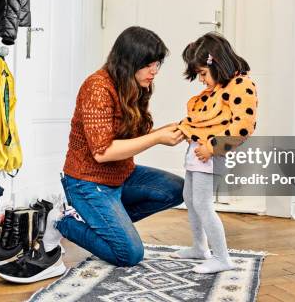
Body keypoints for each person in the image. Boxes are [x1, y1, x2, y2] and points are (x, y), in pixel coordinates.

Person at [41, 26, 186, 268]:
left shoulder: (135, 86)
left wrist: (177, 129)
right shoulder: (97, 88)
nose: (154, 71)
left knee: (177, 189)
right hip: (87, 182)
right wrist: (158, 137)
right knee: (129, 255)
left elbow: (134, 136)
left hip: (121, 176)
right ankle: (62, 221)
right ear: (130, 61)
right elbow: (102, 153)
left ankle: (103, 224)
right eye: (148, 64)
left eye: (157, 64)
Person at [173, 32, 258, 273]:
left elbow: (243, 127)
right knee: (190, 199)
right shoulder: (217, 88)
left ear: (216, 63)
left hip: (210, 157)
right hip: (197, 154)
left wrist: (211, 148)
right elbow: (202, 118)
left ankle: (222, 257)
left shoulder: (242, 85)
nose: (201, 80)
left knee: (203, 204)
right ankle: (200, 248)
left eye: (202, 74)